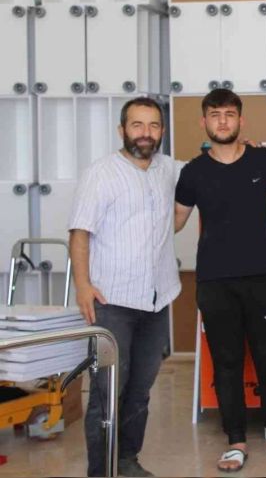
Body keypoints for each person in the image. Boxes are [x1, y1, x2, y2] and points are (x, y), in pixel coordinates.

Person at [174, 89, 266, 472]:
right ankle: (235, 442)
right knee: (227, 364)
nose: (223, 121)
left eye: (229, 114)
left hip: (264, 278)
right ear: (204, 122)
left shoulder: (264, 160)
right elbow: (173, 220)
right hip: (215, 282)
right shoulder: (193, 172)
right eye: (215, 115)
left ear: (241, 120)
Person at [70, 97, 180, 477]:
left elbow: (210, 169)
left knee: (140, 390)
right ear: (122, 130)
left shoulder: (169, 170)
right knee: (106, 392)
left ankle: (127, 460)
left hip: (156, 300)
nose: (145, 133)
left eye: (153, 125)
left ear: (162, 131)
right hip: (111, 300)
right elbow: (80, 233)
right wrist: (82, 286)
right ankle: (101, 471)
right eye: (137, 125)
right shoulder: (100, 173)